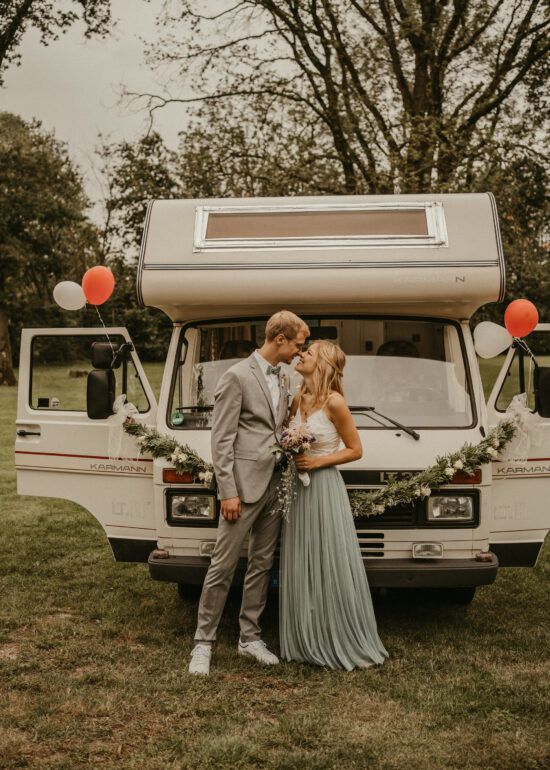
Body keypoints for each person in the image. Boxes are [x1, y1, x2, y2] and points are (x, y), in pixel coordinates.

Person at [189, 310, 310, 675]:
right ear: (280, 339)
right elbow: (221, 439)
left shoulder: (285, 377)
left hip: (276, 483)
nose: (300, 352)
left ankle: (250, 637)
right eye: (298, 345)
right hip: (242, 488)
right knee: (223, 565)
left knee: (261, 563)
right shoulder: (236, 376)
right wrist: (228, 491)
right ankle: (203, 644)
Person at [280, 340, 388, 670]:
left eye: (308, 352)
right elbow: (285, 438)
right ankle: (305, 636)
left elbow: (355, 450)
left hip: (324, 488)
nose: (301, 354)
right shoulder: (296, 399)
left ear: (323, 364)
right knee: (302, 557)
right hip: (297, 489)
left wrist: (317, 461)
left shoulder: (335, 402)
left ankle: (335, 634)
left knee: (328, 557)